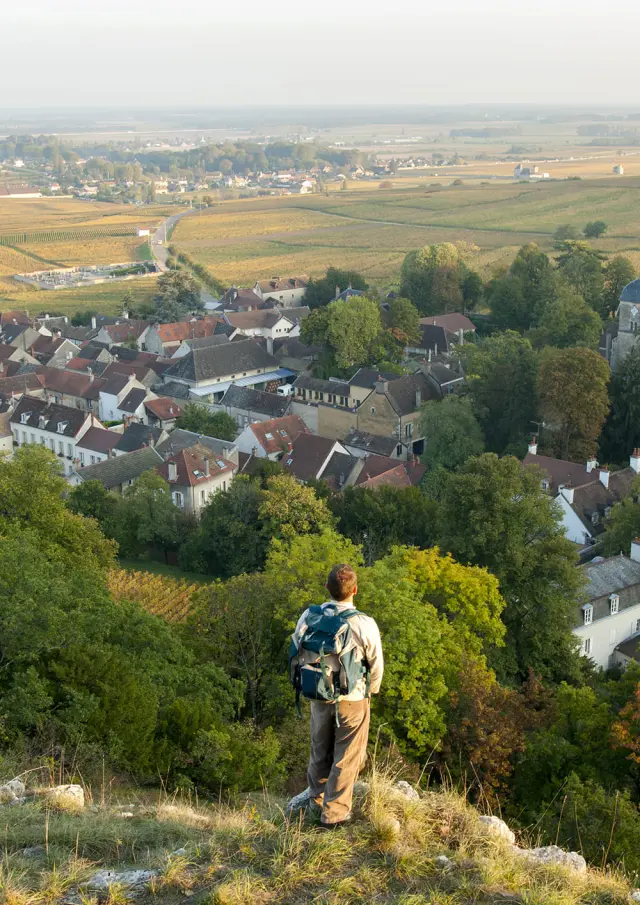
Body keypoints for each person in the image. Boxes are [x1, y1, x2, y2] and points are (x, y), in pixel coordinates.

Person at [290, 563, 383, 828]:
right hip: (352, 699)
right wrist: (369, 693)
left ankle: (315, 800)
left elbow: (297, 647)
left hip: (318, 693)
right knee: (347, 754)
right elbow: (376, 665)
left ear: (326, 589)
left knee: (319, 749)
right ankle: (334, 814)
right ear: (355, 590)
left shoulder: (309, 615)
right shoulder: (364, 623)